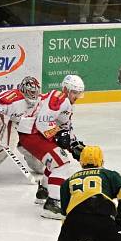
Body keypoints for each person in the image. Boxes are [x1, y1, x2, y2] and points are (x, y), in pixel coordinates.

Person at [16, 75, 87, 219]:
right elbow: (43, 123)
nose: (77, 96)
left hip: (36, 134)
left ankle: (44, 190)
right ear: (66, 89)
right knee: (61, 163)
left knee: (59, 160)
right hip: (32, 133)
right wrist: (60, 135)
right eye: (75, 92)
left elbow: (65, 127)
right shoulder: (59, 98)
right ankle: (53, 205)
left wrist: (74, 144)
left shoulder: (66, 103)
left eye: (79, 93)